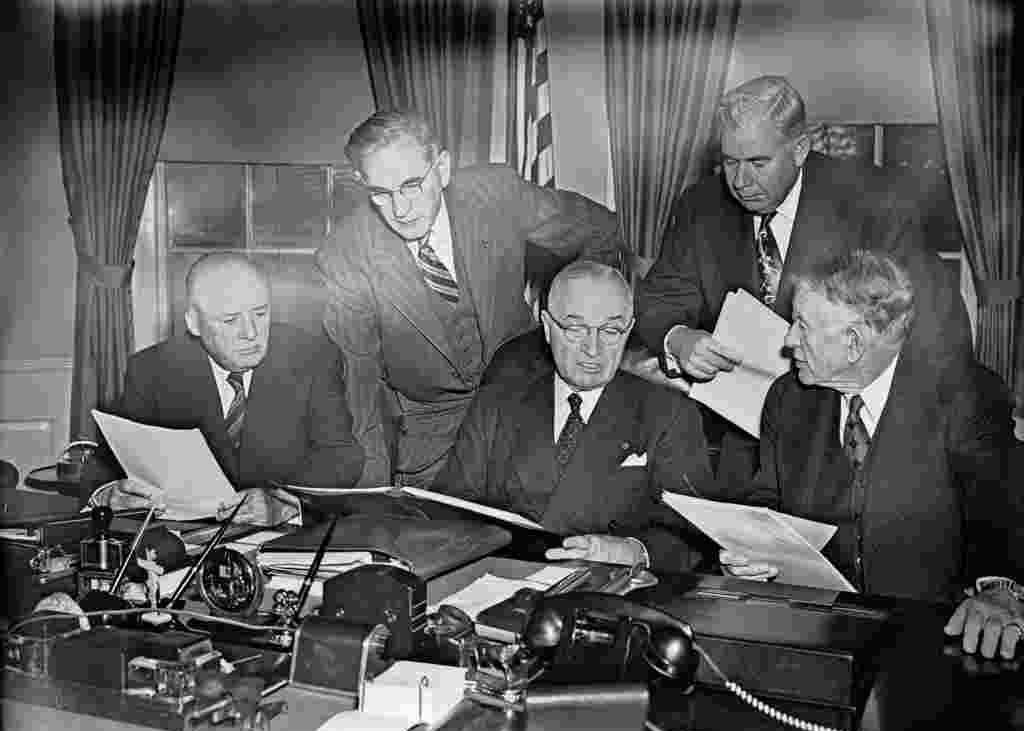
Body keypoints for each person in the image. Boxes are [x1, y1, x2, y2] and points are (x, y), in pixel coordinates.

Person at [635, 75, 971, 490]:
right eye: (730, 162)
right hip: (737, 451)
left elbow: (937, 323)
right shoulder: (701, 206)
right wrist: (678, 338)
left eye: (758, 163)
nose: (741, 182)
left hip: (843, 442)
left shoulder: (874, 203)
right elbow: (659, 299)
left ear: (800, 149)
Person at [722, 249, 1019, 651]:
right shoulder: (788, 398)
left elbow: (1006, 517)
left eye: (801, 326)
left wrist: (1002, 589)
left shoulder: (964, 397)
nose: (788, 341)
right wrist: (750, 547)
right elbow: (767, 497)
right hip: (818, 633)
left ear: (854, 343)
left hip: (933, 638)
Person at [317, 110, 623, 488]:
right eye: (381, 193)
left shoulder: (495, 194)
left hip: (530, 405)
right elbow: (359, 385)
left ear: (442, 168)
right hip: (432, 438)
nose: (400, 209)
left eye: (411, 185)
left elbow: (600, 230)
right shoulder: (346, 253)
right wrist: (370, 495)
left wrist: (574, 315)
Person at [433, 260, 714, 572]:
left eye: (610, 330)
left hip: (609, 594)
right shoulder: (497, 403)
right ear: (548, 327)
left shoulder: (670, 414)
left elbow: (692, 537)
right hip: (502, 584)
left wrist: (634, 551)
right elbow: (450, 513)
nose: (592, 349)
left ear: (629, 330)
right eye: (575, 328)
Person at [85, 252, 365, 525]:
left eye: (260, 313)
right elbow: (108, 461)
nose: (251, 333)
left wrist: (286, 502)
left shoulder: (311, 357)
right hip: (188, 536)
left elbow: (341, 456)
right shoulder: (153, 370)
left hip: (284, 536)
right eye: (231, 320)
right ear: (194, 323)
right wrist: (108, 494)